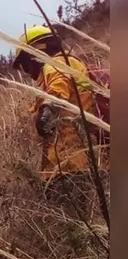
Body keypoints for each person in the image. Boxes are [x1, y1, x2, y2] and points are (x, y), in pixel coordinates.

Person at [12, 24, 107, 214]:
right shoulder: (69, 64)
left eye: (24, 64)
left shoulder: (56, 65)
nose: (26, 72)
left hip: (71, 164)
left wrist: (46, 111)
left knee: (73, 219)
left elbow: (57, 90)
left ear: (36, 52)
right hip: (77, 161)